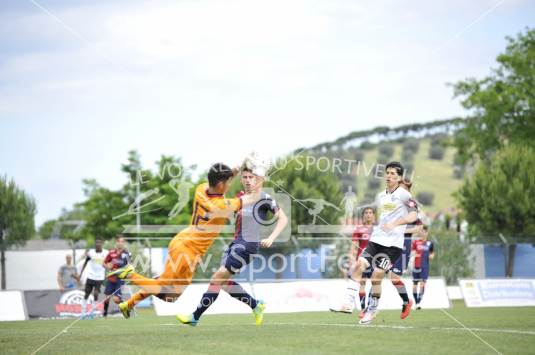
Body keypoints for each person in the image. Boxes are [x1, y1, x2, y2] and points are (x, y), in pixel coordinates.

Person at [108, 163, 264, 319]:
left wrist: (241, 165)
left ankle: (128, 304)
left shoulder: (202, 189)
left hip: (183, 243)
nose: (230, 184)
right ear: (221, 184)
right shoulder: (221, 206)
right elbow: (254, 197)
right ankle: (130, 275)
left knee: (170, 293)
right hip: (187, 252)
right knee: (166, 291)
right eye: (228, 182)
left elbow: (224, 180)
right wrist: (261, 174)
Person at [177, 157, 288, 326]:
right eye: (245, 177)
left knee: (216, 278)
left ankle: (195, 316)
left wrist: (271, 238)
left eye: (252, 177)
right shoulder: (241, 196)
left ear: (258, 178)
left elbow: (283, 219)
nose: (248, 180)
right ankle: (255, 305)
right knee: (224, 283)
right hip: (235, 244)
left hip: (247, 246)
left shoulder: (264, 197)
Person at [353, 161, 418, 325]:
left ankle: (375, 309)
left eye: (393, 174)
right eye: (387, 173)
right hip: (376, 240)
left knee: (379, 276)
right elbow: (385, 216)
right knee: (359, 266)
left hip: (394, 246)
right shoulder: (381, 195)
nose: (389, 176)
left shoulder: (404, 195)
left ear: (399, 178)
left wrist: (396, 224)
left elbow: (413, 216)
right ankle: (352, 303)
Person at [386, 178, 422, 319]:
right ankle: (370, 308)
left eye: (404, 188)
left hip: (403, 246)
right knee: (376, 272)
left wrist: (401, 231)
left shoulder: (411, 205)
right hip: (389, 243)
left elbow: (419, 229)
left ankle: (406, 301)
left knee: (394, 278)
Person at [330, 206, 375, 314]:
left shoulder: (378, 229)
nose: (368, 214)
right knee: (362, 284)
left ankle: (370, 307)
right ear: (363, 215)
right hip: (362, 261)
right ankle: (363, 309)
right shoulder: (359, 229)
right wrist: (351, 260)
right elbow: (354, 246)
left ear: (373, 215)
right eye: (366, 213)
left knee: (375, 284)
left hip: (375, 260)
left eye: (370, 212)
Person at [102, 236, 131, 318]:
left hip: (120, 280)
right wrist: (108, 266)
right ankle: (104, 315)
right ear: (116, 242)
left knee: (116, 299)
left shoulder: (126, 254)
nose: (120, 243)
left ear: (124, 243)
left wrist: (127, 273)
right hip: (111, 279)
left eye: (122, 242)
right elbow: (104, 263)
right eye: (119, 241)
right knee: (107, 298)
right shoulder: (111, 253)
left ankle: (125, 306)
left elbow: (130, 266)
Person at [79, 238, 108, 319]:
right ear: (95, 244)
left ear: (102, 244)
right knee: (86, 294)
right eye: (96, 243)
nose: (98, 244)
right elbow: (85, 262)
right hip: (90, 276)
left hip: (99, 277)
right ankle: (82, 313)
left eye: (99, 243)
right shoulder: (91, 252)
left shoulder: (106, 253)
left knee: (95, 294)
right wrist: (80, 274)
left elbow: (109, 262)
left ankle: (92, 313)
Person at [411, 225, 434, 309]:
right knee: (414, 285)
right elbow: (412, 252)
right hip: (416, 266)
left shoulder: (430, 243)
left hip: (425, 267)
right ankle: (416, 302)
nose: (423, 233)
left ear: (427, 233)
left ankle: (418, 303)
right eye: (421, 231)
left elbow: (432, 254)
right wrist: (414, 254)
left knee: (422, 284)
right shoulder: (416, 242)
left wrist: (431, 256)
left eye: (424, 231)